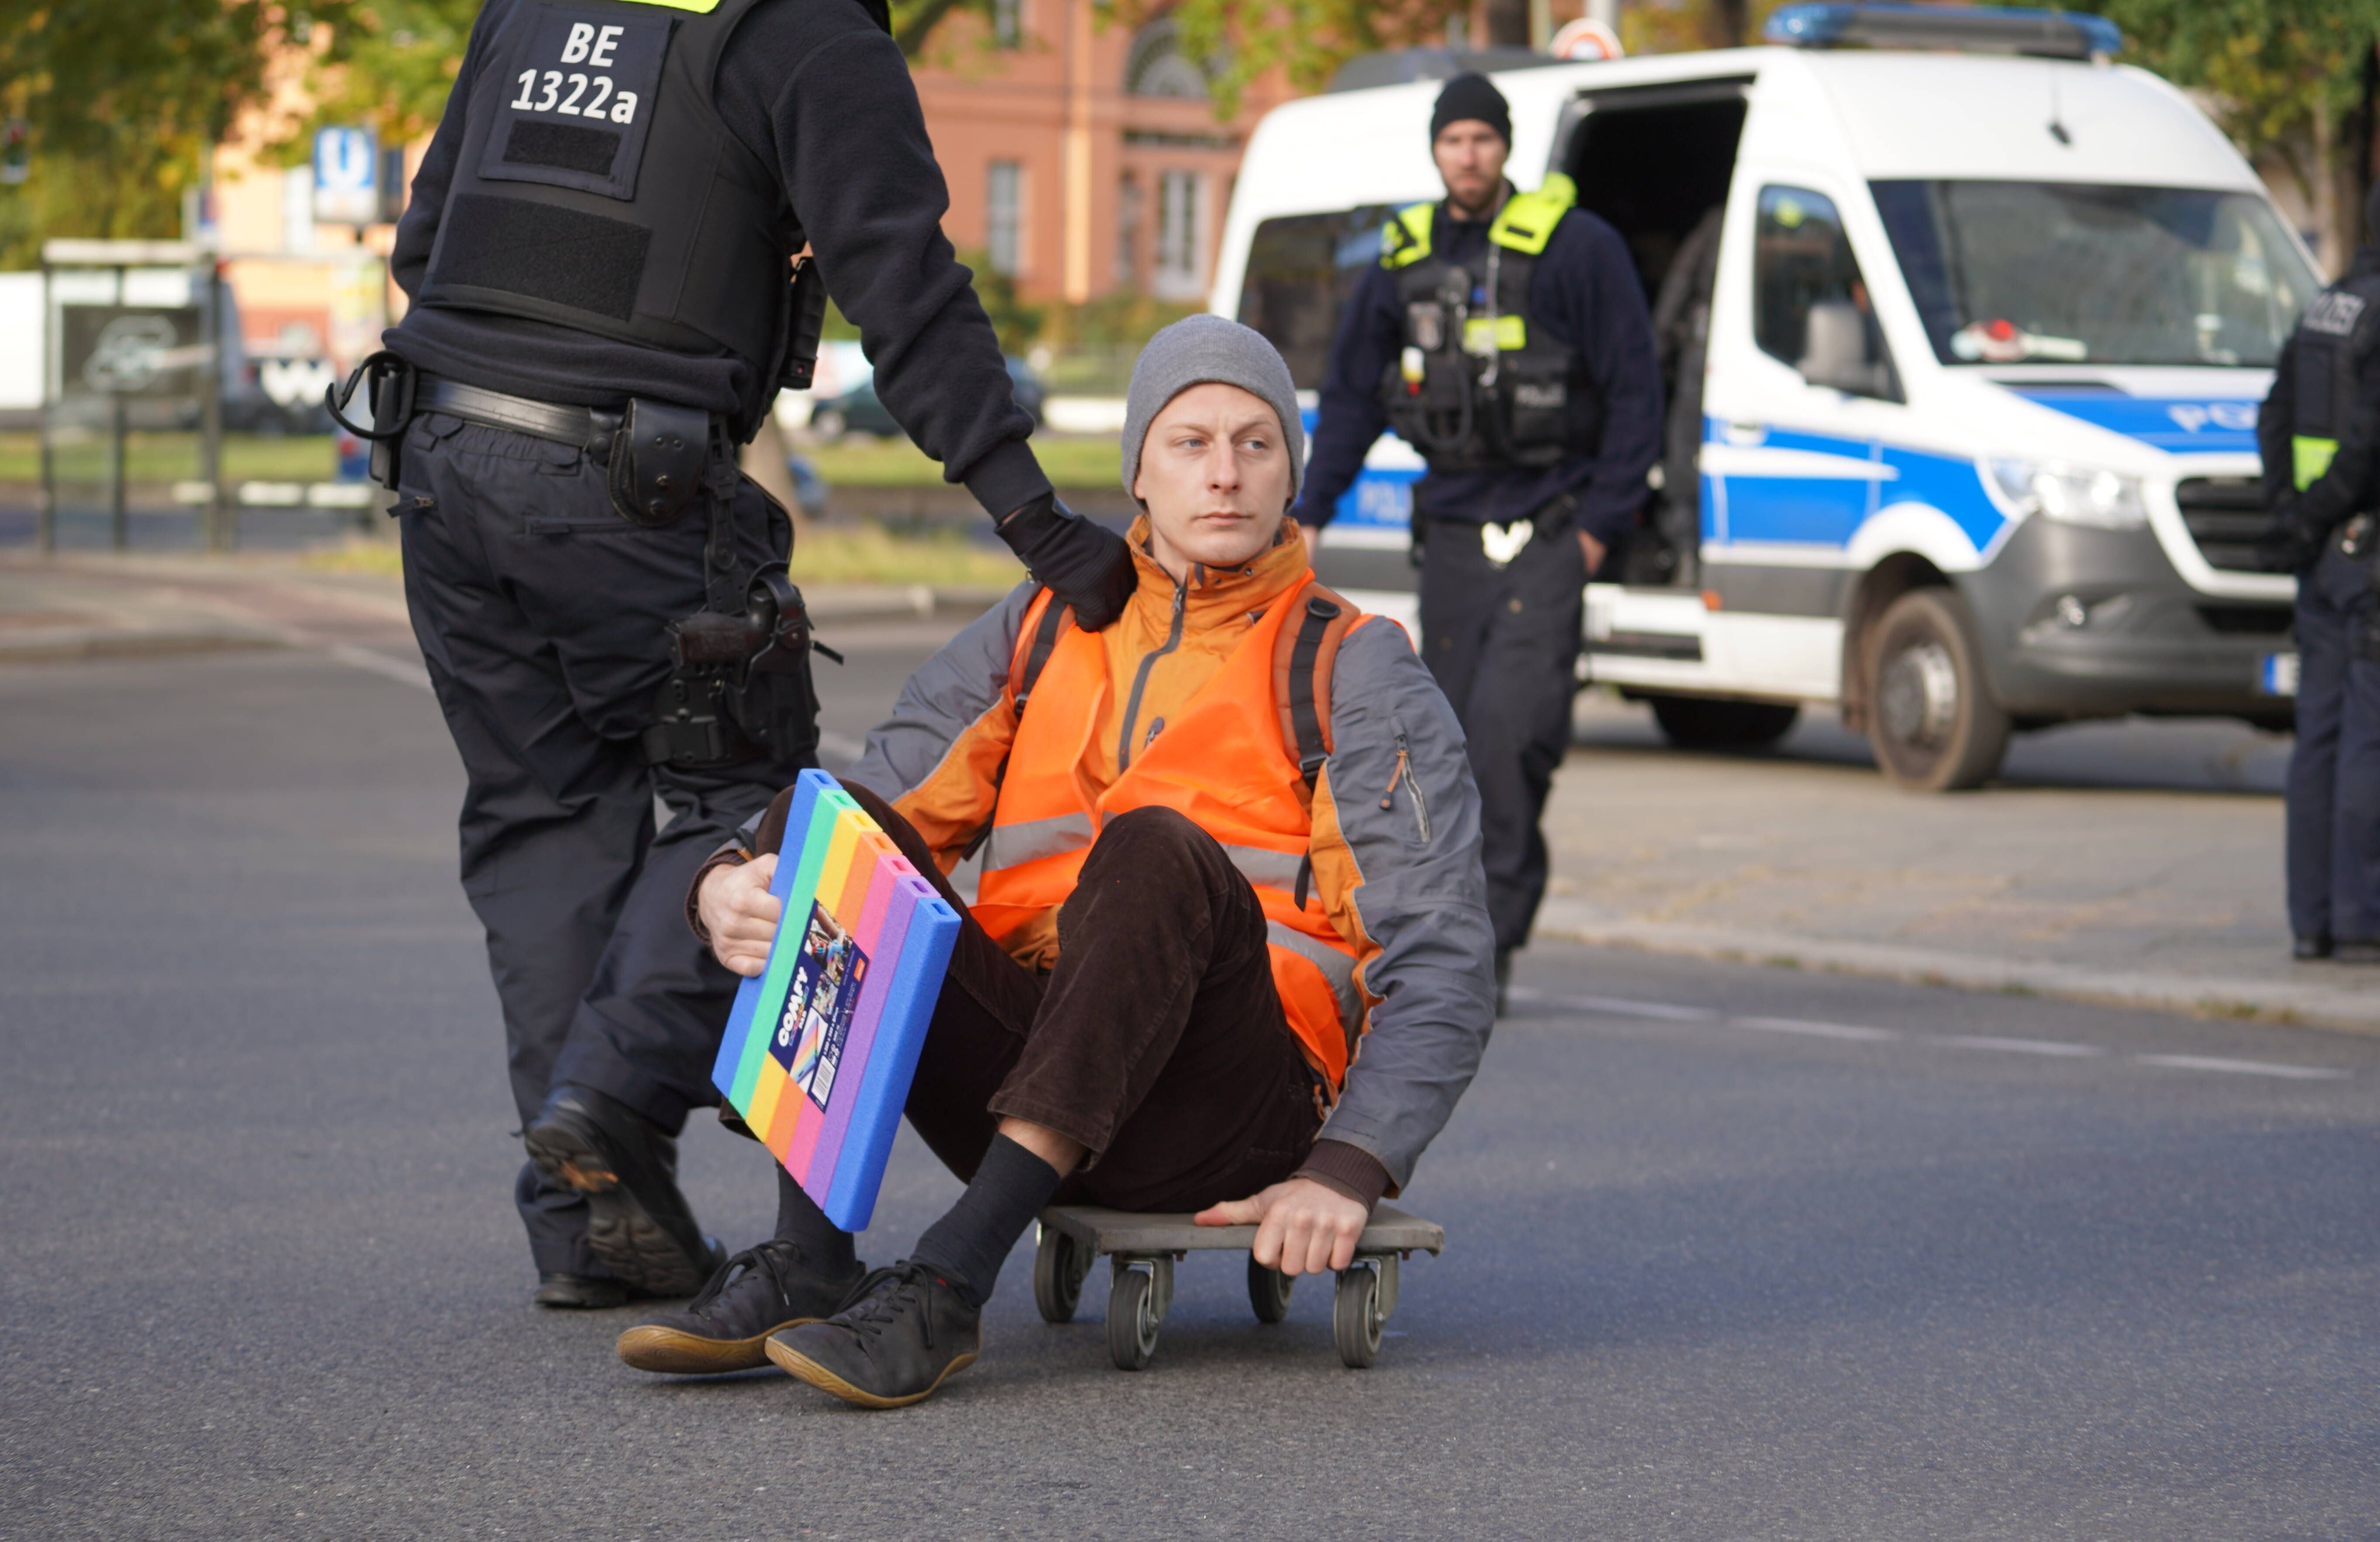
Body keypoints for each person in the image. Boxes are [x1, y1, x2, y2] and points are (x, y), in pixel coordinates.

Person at [372, 0, 1139, 1309]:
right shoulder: (802, 29)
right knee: (763, 815)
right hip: (622, 476)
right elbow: (906, 287)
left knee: (543, 820)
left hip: (437, 455)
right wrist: (1037, 520)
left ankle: (585, 1222)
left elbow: (425, 241)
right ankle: (612, 1102)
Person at [619, 317, 1495, 1408]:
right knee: (830, 820)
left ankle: (950, 1277)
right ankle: (810, 1256)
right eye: (1190, 442)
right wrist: (727, 884)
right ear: (1138, 468)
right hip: (1036, 1068)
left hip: (1224, 1108)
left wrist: (1348, 1164)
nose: (1224, 472)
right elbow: (869, 807)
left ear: (1291, 473)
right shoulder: (1040, 628)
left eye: (1257, 443)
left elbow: (1445, 953)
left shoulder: (1351, 663)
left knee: (1154, 845)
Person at [1293, 73, 1661, 1013]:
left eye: (1483, 139)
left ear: (1506, 148)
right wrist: (1308, 510)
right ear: (1435, 150)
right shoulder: (1401, 259)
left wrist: (1595, 533)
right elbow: (1349, 394)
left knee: (1514, 739)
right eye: (1453, 139)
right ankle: (1450, 942)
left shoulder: (1578, 248)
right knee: (1444, 747)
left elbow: (1635, 395)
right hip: (1453, 531)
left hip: (1550, 531)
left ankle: (1490, 945)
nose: (1468, 155)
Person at [2260, 183, 2380, 965]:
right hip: (2368, 554)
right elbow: (2371, 443)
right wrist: (2330, 510)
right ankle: (2363, 914)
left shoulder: (2325, 306)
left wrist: (2295, 514)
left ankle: (2312, 918)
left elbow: (2271, 415)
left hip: (2321, 555)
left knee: (2319, 738)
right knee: (2369, 739)